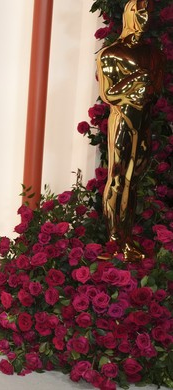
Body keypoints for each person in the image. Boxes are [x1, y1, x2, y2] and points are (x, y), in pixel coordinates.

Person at [96, 0, 164, 260]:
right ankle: (114, 240)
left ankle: (127, 239)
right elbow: (109, 94)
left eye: (149, 11)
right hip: (122, 120)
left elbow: (155, 91)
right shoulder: (111, 53)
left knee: (131, 183)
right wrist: (136, 79)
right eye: (140, 11)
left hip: (143, 123)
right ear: (130, 14)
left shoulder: (155, 55)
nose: (145, 17)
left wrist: (144, 86)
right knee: (116, 178)